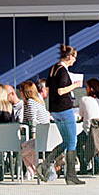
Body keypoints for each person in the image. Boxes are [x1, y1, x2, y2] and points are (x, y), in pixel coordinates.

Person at [41, 44, 84, 185]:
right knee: (72, 141)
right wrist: (76, 85)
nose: (75, 60)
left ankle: (46, 163)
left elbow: (49, 89)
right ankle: (70, 175)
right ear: (70, 56)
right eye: (74, 57)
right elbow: (61, 90)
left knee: (66, 141)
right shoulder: (63, 71)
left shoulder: (53, 69)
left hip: (55, 109)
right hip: (65, 108)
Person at [17, 80, 49, 181]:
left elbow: (32, 121)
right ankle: (33, 169)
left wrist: (34, 136)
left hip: (39, 135)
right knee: (24, 149)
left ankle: (34, 169)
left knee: (22, 150)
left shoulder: (30, 103)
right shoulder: (38, 102)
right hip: (44, 134)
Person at [77, 78, 99, 173]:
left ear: (91, 89)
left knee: (77, 143)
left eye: (86, 87)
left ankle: (83, 166)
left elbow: (82, 115)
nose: (85, 89)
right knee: (95, 142)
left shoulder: (84, 99)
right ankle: (98, 164)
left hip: (90, 131)